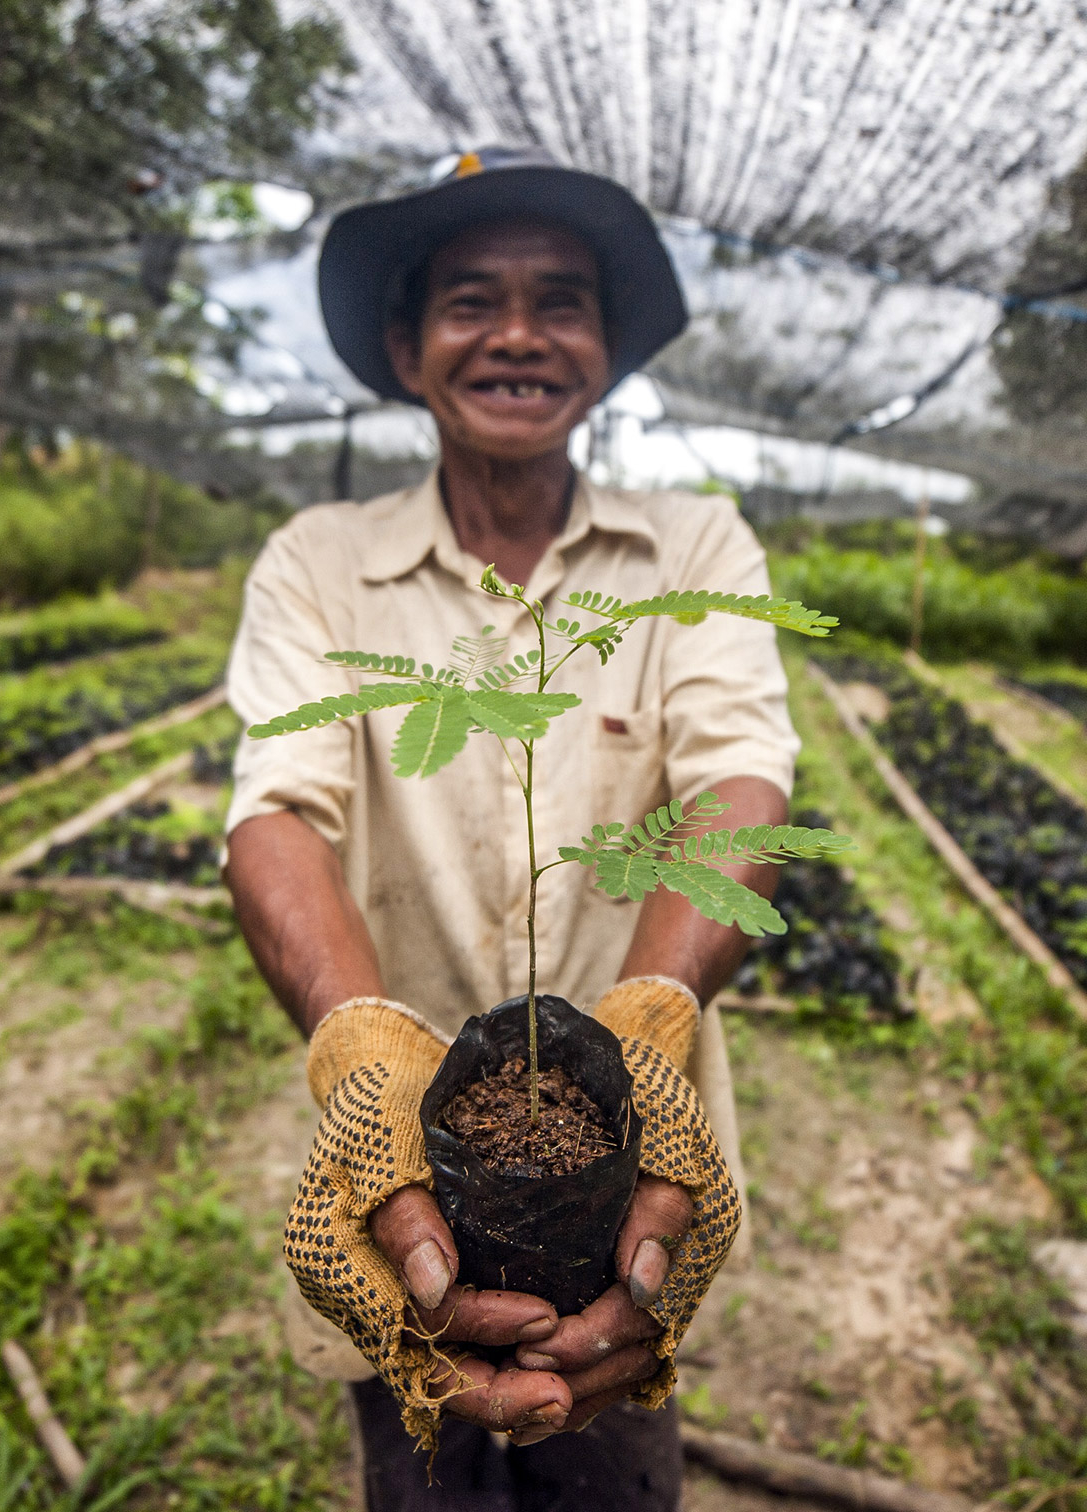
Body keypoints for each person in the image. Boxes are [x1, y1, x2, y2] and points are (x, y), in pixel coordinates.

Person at [223, 147, 799, 1511]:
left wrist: (651, 1020)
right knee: (419, 1466)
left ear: (603, 347)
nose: (521, 334)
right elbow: (278, 811)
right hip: (399, 1169)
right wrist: (364, 1060)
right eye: (474, 299)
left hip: (627, 1165)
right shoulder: (319, 563)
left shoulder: (692, 557)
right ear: (406, 343)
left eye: (563, 300)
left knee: (611, 1463)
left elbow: (737, 787)